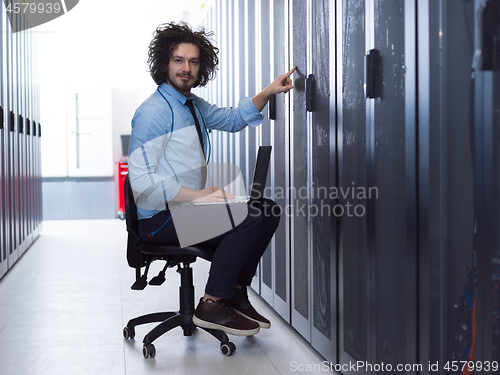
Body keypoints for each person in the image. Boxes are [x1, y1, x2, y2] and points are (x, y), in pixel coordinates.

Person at [128, 21, 295, 337]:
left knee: (267, 209)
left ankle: (235, 292)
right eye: (179, 60)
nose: (186, 68)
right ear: (165, 63)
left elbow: (233, 119)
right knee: (246, 219)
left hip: (182, 211)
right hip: (159, 221)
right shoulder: (154, 112)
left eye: (193, 61)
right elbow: (141, 179)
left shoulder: (191, 104)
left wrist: (270, 91)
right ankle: (212, 303)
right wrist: (199, 196)